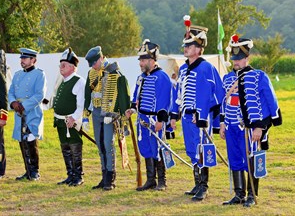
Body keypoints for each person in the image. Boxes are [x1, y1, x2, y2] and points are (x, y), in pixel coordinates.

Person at [220, 34, 282, 207]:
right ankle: (239, 194)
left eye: (239, 58)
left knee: (251, 159)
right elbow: (223, 103)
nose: (236, 62)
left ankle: (251, 196)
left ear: (247, 57)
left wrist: (260, 127)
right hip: (231, 127)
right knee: (234, 159)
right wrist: (223, 123)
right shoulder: (227, 79)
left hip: (249, 128)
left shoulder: (258, 76)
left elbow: (270, 101)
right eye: (234, 58)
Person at [170, 16, 224, 201]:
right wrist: (174, 114)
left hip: (200, 118)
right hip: (186, 116)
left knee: (202, 149)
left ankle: (204, 186)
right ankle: (196, 182)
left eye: (190, 46)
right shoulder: (184, 69)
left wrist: (201, 114)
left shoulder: (207, 68)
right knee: (191, 149)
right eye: (185, 45)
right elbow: (179, 93)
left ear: (199, 49)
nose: (186, 48)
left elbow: (216, 94)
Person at [126, 39, 172, 191]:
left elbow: (164, 100)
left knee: (157, 148)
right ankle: (150, 180)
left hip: (155, 120)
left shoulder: (162, 77)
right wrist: (132, 109)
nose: (141, 63)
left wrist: (160, 120)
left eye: (144, 59)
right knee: (145, 148)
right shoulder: (141, 77)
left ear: (152, 60)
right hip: (142, 120)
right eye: (140, 59)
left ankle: (162, 181)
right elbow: (136, 96)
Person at [84, 46, 130, 190]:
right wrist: (86, 114)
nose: (93, 66)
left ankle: (110, 177)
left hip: (110, 114)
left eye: (94, 63)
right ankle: (104, 177)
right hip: (97, 112)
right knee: (100, 145)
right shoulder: (91, 73)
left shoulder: (115, 73)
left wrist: (118, 117)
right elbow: (88, 93)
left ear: (101, 58)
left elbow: (122, 97)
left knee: (108, 145)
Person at [8, 48, 46, 181]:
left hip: (32, 111)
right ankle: (27, 170)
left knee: (30, 139)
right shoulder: (17, 74)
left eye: (25, 58)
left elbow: (40, 95)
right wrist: (13, 103)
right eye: (21, 58)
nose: (22, 60)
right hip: (18, 112)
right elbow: (11, 91)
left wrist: (24, 106)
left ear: (33, 60)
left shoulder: (39, 74)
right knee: (22, 140)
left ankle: (35, 171)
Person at [53, 48, 86, 186]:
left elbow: (81, 104)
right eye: (60, 64)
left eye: (64, 65)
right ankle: (70, 175)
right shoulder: (62, 80)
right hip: (60, 121)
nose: (61, 67)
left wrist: (73, 118)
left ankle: (78, 176)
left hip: (71, 121)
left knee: (74, 148)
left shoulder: (79, 81)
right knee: (65, 148)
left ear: (72, 67)